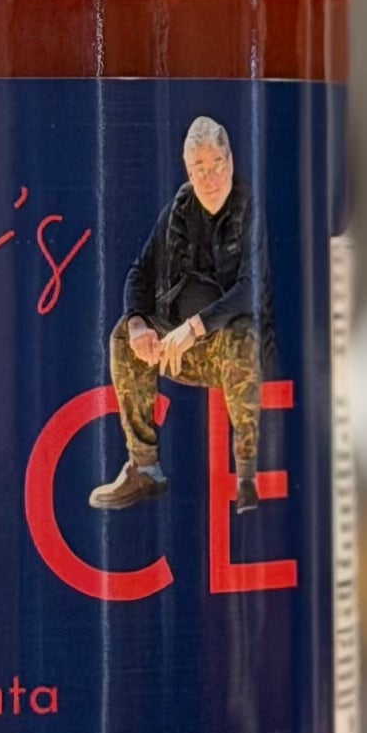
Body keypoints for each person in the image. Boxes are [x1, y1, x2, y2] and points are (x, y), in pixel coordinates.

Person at [92, 115, 266, 513]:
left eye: (216, 164)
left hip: (227, 348)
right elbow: (140, 270)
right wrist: (139, 324)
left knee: (243, 338)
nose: (209, 177)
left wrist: (196, 327)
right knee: (121, 335)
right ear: (188, 171)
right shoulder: (180, 207)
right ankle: (144, 467)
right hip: (176, 345)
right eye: (198, 168)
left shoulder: (249, 208)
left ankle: (247, 478)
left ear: (231, 160)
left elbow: (250, 288)